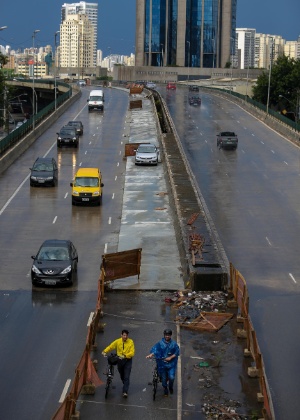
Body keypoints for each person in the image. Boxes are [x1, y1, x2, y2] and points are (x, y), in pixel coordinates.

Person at [146, 329, 180, 396]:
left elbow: (177, 352)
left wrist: (170, 358)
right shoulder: (160, 343)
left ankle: (170, 387)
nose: (167, 336)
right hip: (162, 365)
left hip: (171, 365)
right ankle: (165, 389)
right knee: (163, 379)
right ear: (164, 335)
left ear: (170, 336)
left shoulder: (174, 344)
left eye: (168, 335)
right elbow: (155, 350)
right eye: (166, 335)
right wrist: (151, 354)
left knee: (172, 377)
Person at [102, 330, 135, 398]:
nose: (125, 337)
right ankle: (125, 383)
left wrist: (125, 355)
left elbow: (132, 352)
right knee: (122, 375)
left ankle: (125, 391)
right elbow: (111, 346)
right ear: (121, 335)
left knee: (126, 376)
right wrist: (104, 351)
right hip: (119, 360)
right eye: (124, 335)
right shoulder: (117, 341)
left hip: (127, 360)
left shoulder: (130, 342)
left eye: (126, 335)